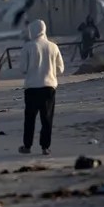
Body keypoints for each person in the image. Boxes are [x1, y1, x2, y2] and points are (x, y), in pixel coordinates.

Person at [19, 20, 64, 156]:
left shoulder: (28, 47)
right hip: (48, 87)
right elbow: (61, 69)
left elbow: (23, 69)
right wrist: (50, 70)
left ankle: (27, 146)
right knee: (47, 119)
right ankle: (45, 147)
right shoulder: (53, 46)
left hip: (32, 88)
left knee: (30, 119)